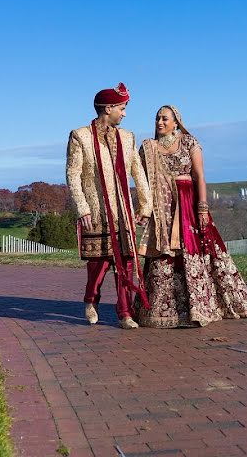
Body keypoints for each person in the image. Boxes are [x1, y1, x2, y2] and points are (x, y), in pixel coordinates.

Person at [135, 105, 247, 328]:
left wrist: (202, 208)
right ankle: (164, 309)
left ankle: (202, 306)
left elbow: (200, 176)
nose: (159, 122)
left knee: (197, 250)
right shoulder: (148, 148)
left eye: (164, 119)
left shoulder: (189, 142)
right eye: (157, 119)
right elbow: (142, 183)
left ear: (176, 122)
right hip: (163, 209)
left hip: (188, 205)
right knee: (165, 255)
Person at [65, 83, 152, 329]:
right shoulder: (79, 136)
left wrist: (145, 206)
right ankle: (90, 300)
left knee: (125, 263)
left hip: (123, 212)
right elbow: (73, 175)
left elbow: (138, 172)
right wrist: (82, 208)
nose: (124, 113)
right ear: (108, 108)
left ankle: (124, 313)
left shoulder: (127, 138)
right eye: (122, 108)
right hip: (95, 211)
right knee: (99, 264)